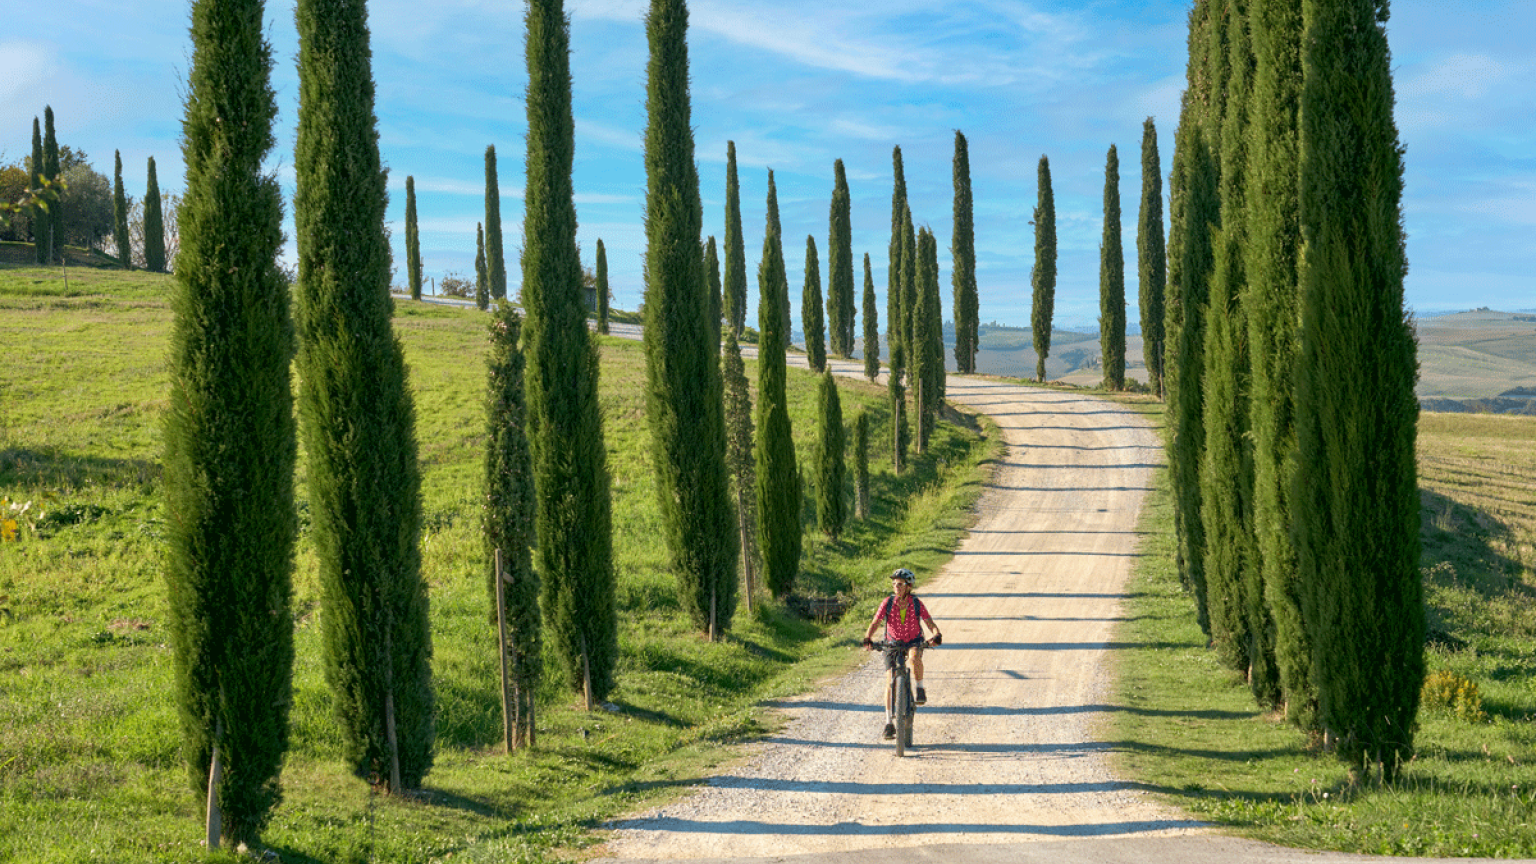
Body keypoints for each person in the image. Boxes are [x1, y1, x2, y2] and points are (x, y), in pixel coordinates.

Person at [862, 567, 942, 739]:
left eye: (900, 584)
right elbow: (875, 622)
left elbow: (929, 622)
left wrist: (936, 633)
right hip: (892, 643)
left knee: (913, 659)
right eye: (894, 584)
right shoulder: (887, 602)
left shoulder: (916, 603)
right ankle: (889, 723)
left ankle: (920, 689)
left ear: (908, 586)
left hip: (913, 641)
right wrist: (867, 637)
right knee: (890, 680)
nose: (896, 587)